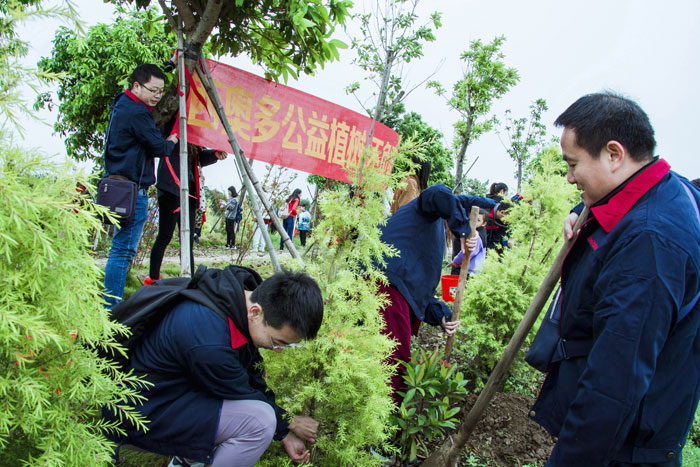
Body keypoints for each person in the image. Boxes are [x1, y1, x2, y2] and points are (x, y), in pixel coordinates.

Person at [528, 92, 700, 466]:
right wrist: (581, 210)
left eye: (573, 165)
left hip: (624, 447)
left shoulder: (650, 245)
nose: (571, 177)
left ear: (614, 154)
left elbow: (613, 386)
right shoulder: (665, 190)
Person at [104, 267, 324, 467]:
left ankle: (188, 459)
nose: (278, 350)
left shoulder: (235, 297)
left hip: (175, 389)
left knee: (251, 413)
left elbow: (251, 376)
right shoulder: (209, 339)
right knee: (259, 422)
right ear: (256, 312)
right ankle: (189, 457)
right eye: (278, 342)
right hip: (142, 407)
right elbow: (242, 392)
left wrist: (284, 431)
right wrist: (289, 423)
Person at [376, 184, 496, 403]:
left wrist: (441, 315)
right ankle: (386, 427)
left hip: (396, 290)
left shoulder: (433, 233)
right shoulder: (424, 209)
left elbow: (418, 288)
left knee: (390, 361)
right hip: (384, 287)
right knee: (392, 362)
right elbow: (438, 193)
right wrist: (464, 230)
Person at [103, 63, 178, 309]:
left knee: (120, 248)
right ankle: (111, 308)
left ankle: (111, 304)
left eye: (161, 90)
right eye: (153, 90)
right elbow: (158, 147)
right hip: (132, 191)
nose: (157, 96)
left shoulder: (121, 103)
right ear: (136, 86)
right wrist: (172, 139)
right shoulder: (137, 112)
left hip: (118, 187)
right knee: (123, 250)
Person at [146, 143, 225, 284]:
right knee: (165, 236)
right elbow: (160, 146)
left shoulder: (194, 139)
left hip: (190, 193)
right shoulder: (173, 130)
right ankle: (152, 278)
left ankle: (190, 281)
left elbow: (198, 158)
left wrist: (214, 154)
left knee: (188, 241)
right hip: (171, 191)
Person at [449, 209, 488, 275]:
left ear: (484, 223)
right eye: (472, 219)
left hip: (470, 270)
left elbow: (468, 252)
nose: (474, 222)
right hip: (477, 270)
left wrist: (456, 261)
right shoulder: (482, 232)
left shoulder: (476, 236)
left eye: (478, 220)